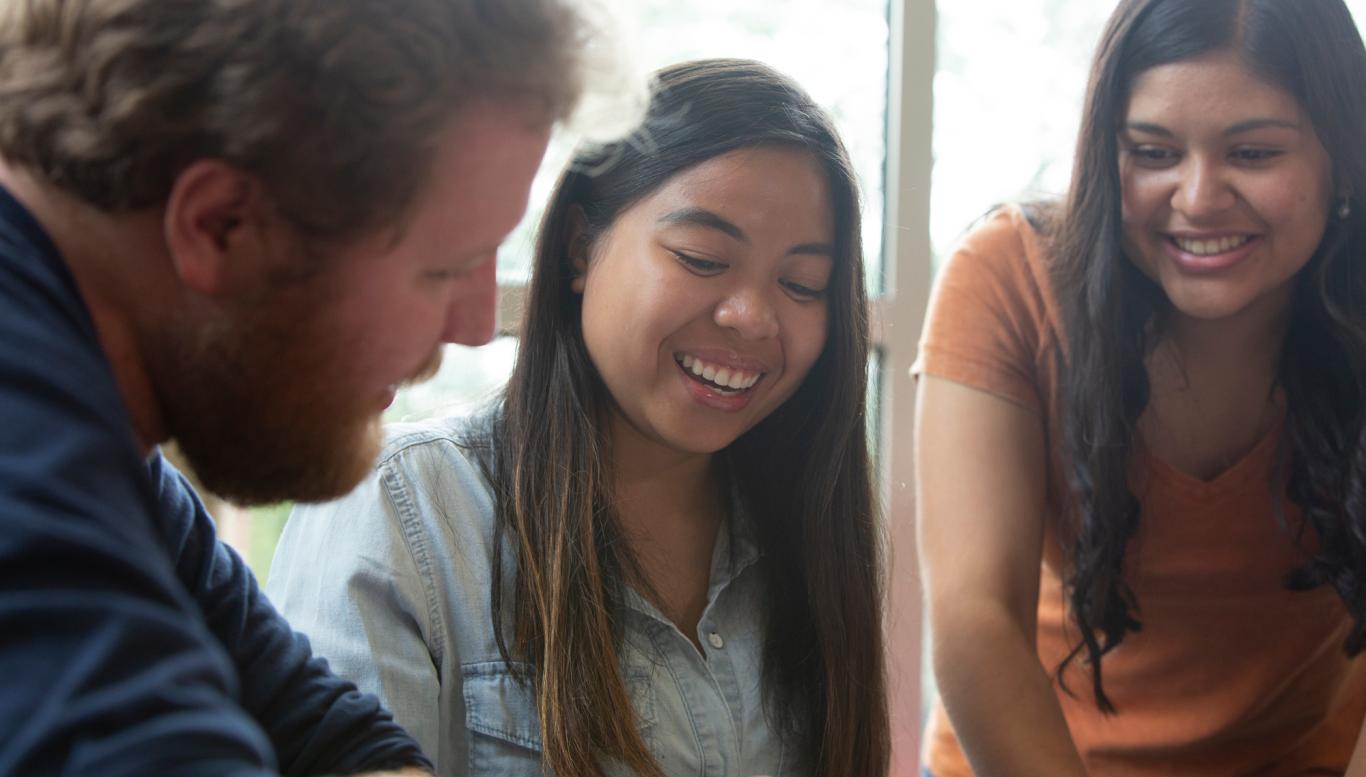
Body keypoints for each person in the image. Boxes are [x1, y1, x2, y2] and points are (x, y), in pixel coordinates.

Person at [0, 0, 616, 774]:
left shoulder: (113, 447)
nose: (476, 323)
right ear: (221, 225)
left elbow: (318, 728)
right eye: (445, 269)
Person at [267, 58, 890, 777]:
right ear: (578, 247)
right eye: (702, 258)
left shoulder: (806, 534)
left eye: (802, 284)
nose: (752, 317)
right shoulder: (407, 512)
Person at [914, 0, 1366, 774]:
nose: (1197, 198)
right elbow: (975, 619)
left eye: (1254, 153)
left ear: (1345, 156)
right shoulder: (1005, 278)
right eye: (1153, 152)